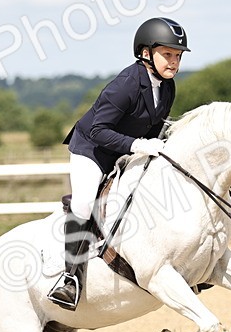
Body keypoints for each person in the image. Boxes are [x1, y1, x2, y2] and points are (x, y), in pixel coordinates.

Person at [46, 16, 190, 310]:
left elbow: (154, 128)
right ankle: (68, 279)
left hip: (125, 150)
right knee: (85, 204)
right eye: (168, 55)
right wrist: (137, 145)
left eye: (177, 56)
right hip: (92, 150)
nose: (173, 62)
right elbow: (99, 131)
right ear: (146, 53)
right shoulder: (126, 84)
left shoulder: (167, 87)